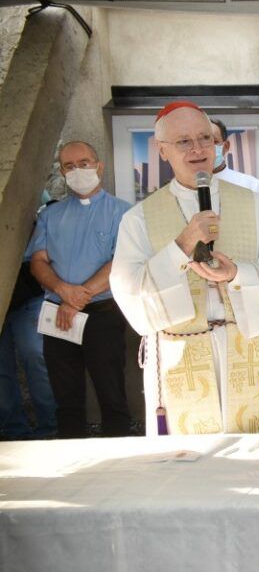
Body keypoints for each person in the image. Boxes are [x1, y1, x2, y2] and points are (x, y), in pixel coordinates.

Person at [111, 101, 259, 436]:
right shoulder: (138, 219)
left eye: (204, 138)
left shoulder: (254, 204)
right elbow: (129, 291)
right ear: (162, 150)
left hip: (245, 348)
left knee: (253, 464)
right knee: (186, 470)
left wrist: (237, 275)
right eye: (184, 141)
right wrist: (181, 245)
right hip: (178, 353)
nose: (198, 148)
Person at [29, 141, 132, 438]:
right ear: (62, 172)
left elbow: (120, 262)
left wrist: (75, 300)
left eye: (84, 163)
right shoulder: (50, 215)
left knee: (111, 393)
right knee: (66, 397)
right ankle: (71, 461)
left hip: (102, 314)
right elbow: (37, 262)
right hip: (57, 314)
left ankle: (120, 460)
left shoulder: (123, 213)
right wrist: (63, 290)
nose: (78, 170)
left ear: (99, 166)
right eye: (70, 166)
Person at [0, 200, 57, 440]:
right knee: (2, 370)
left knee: (35, 356)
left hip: (26, 295)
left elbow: (41, 205)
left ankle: (50, 428)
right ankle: (15, 431)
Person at [210, 118, 259, 198]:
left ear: (226, 146)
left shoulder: (251, 185)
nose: (206, 149)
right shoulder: (188, 187)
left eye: (214, 142)